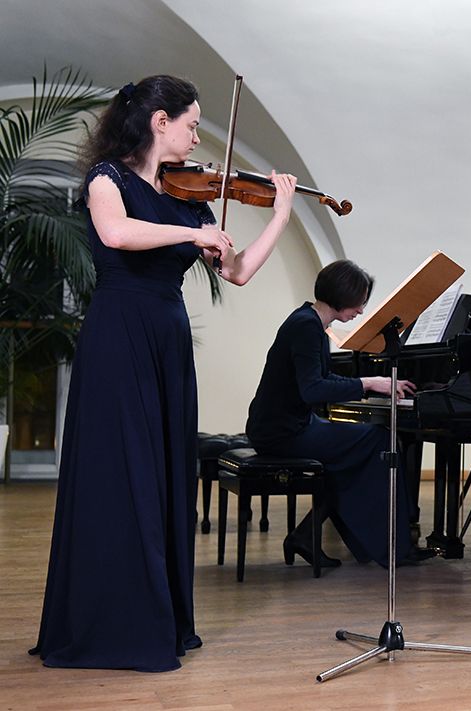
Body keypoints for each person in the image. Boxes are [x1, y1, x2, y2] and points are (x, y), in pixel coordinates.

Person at [32, 75, 297, 671]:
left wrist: (280, 215)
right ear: (160, 121)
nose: (197, 137)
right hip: (119, 335)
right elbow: (117, 233)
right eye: (192, 124)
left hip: (167, 341)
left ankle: (161, 616)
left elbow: (237, 271)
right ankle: (111, 623)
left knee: (164, 475)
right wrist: (193, 232)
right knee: (121, 472)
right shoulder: (107, 179)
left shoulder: (189, 195)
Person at [245, 259, 427, 568]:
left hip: (285, 426)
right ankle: (394, 546)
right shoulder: (306, 326)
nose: (361, 310)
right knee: (379, 440)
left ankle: (307, 535)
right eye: (359, 302)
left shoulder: (309, 321)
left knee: (356, 453)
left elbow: (321, 379)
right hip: (282, 433)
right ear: (342, 295)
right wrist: (368, 383)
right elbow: (313, 390)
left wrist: (368, 385)